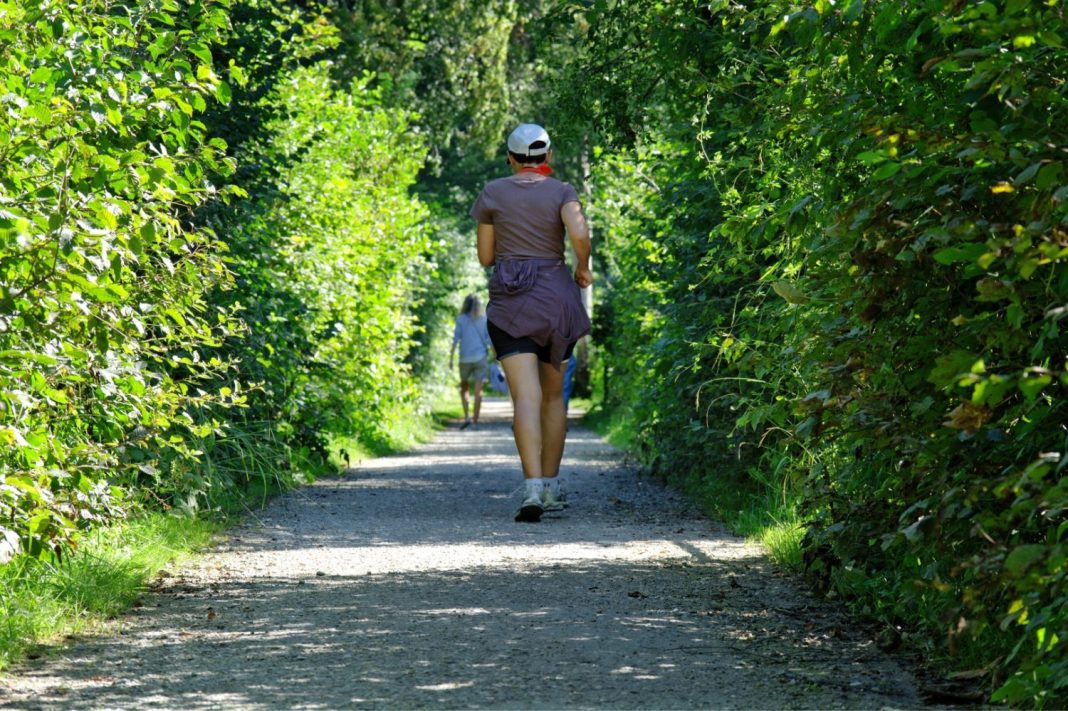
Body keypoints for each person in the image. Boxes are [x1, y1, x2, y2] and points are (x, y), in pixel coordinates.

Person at [470, 123, 593, 522]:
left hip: (511, 302)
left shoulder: (493, 193)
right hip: (556, 301)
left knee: (526, 398)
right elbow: (578, 230)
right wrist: (583, 266)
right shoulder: (562, 192)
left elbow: (486, 258)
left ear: (509, 157)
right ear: (548, 157)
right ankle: (554, 486)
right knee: (554, 396)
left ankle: (532, 489)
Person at [448, 294, 491, 429]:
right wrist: (496, 356)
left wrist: (451, 358)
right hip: (480, 357)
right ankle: (475, 421)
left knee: (464, 388)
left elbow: (456, 339)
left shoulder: (461, 319)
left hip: (464, 358)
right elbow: (489, 340)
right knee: (479, 391)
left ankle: (467, 416)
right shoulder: (484, 319)